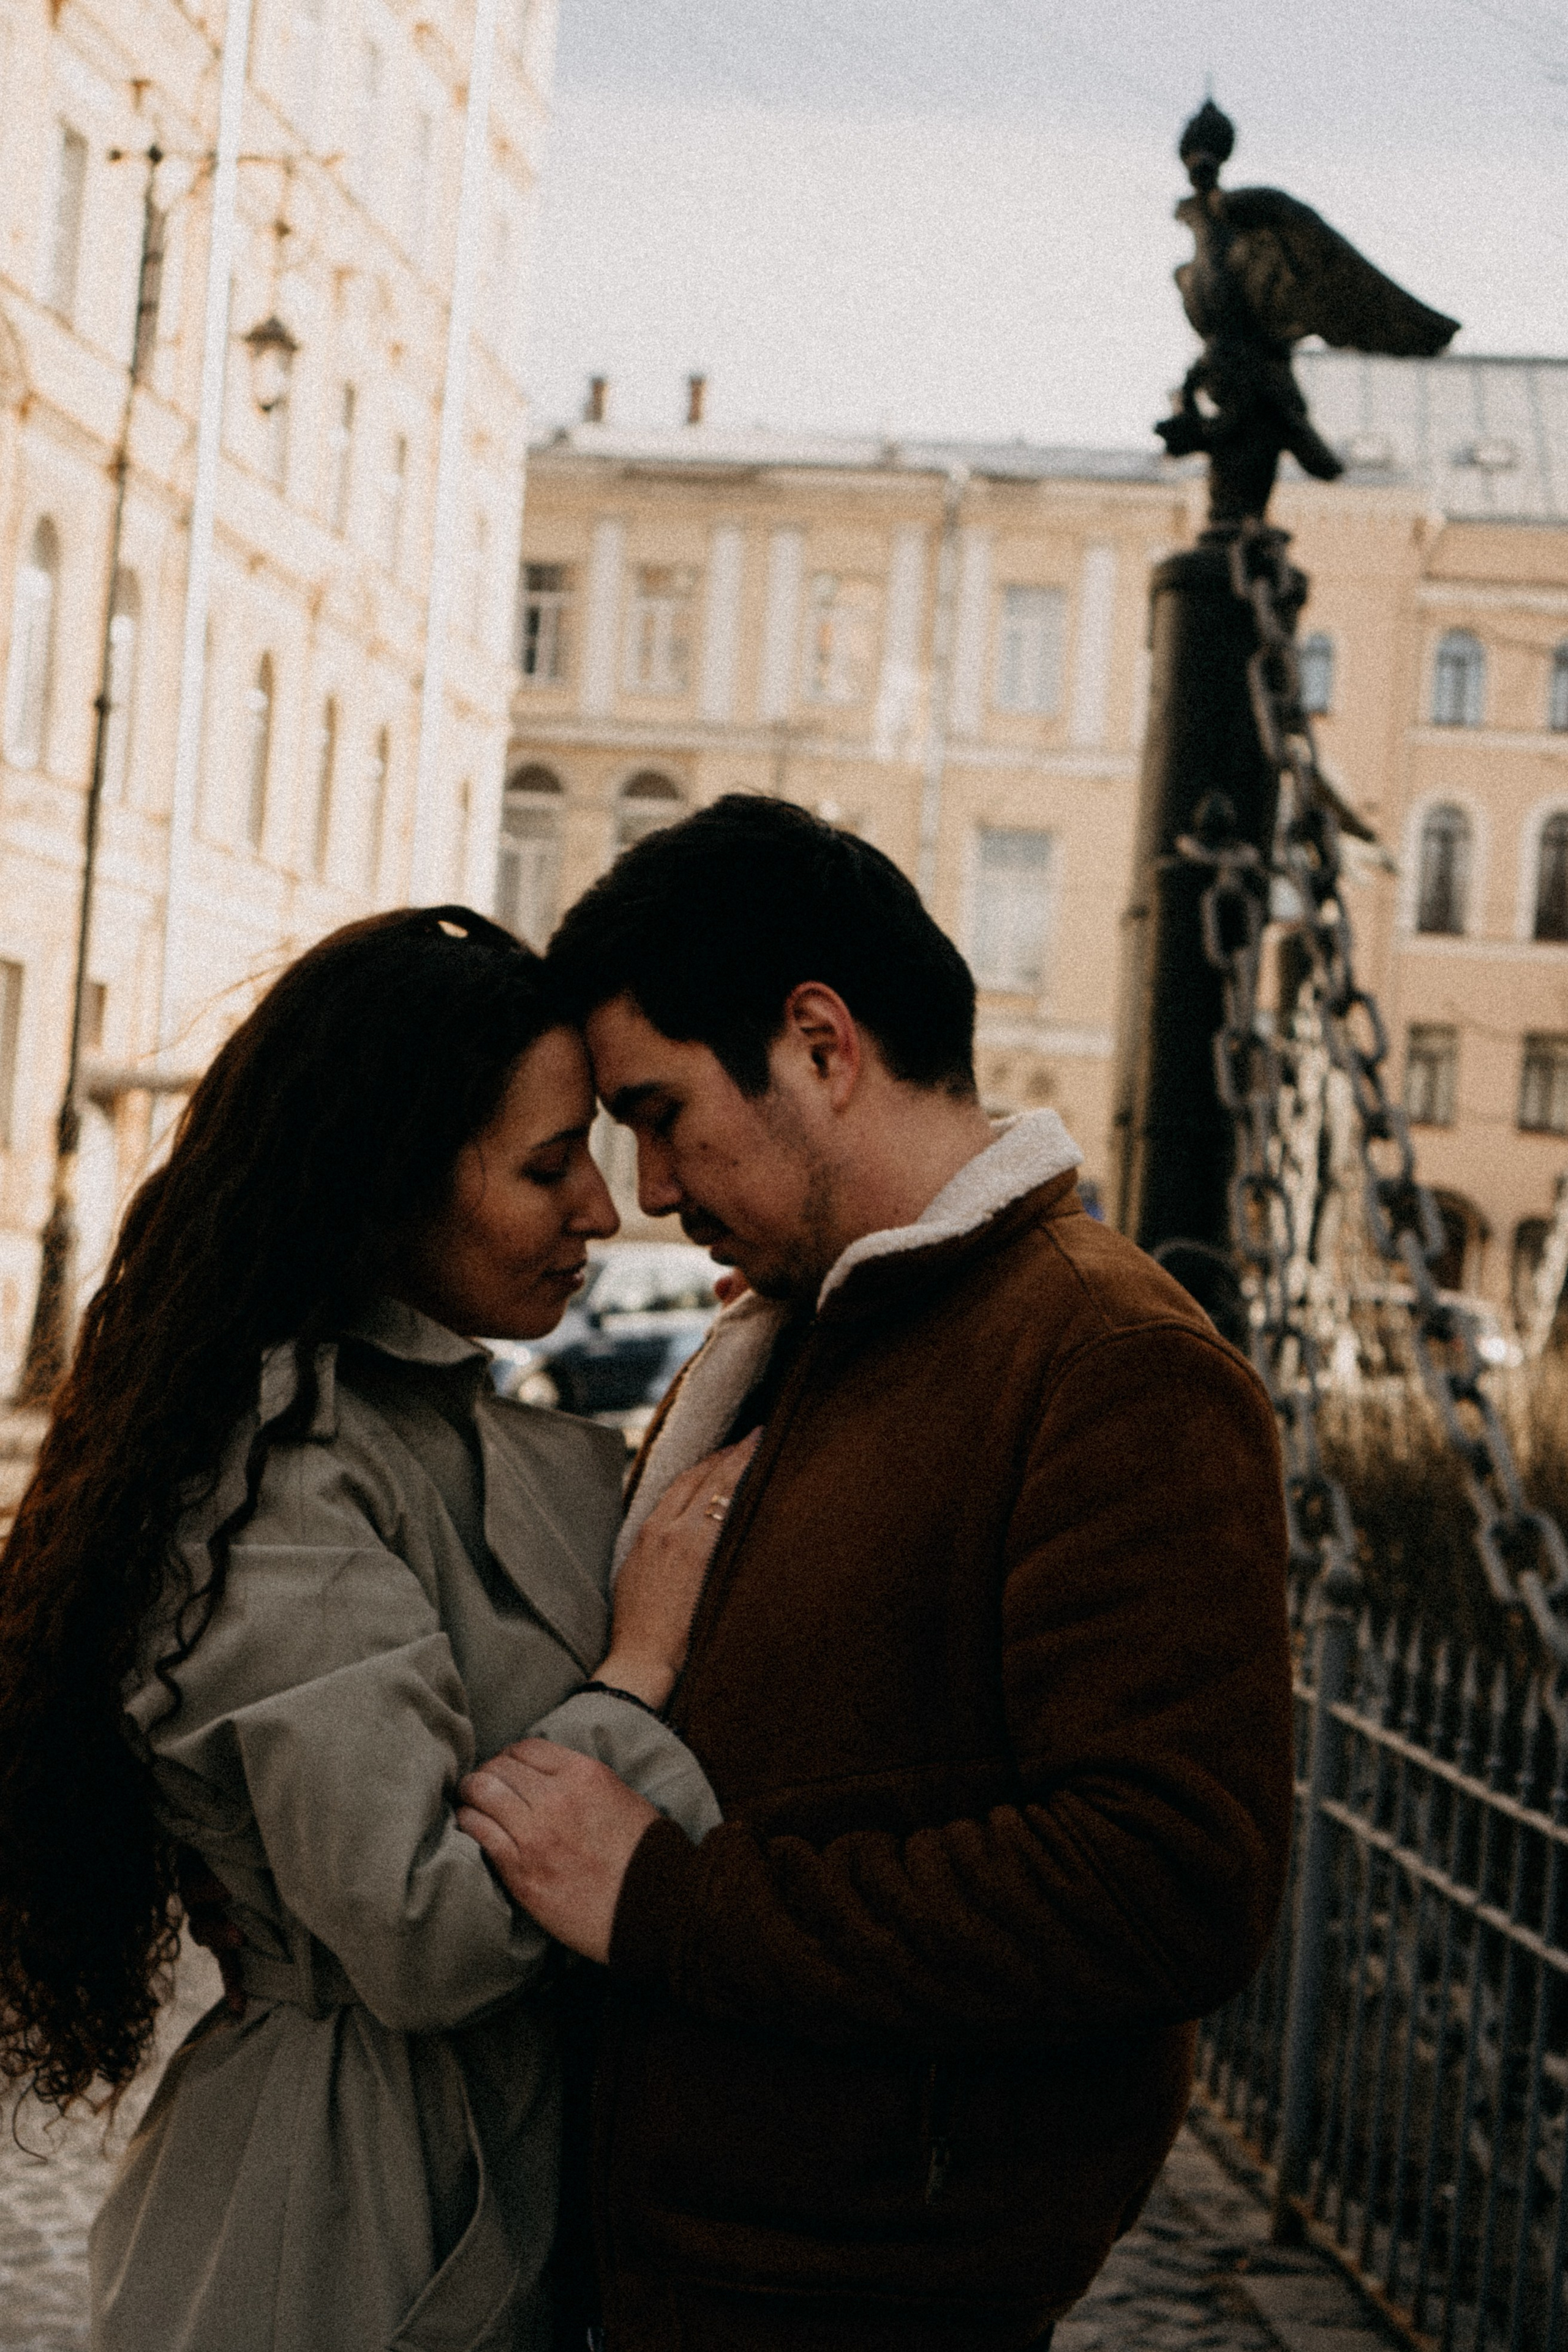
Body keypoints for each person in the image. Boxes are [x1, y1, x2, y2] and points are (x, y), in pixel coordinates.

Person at [458, 796, 1296, 2352]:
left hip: (870, 2293)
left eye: (658, 1111)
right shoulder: (805, 1335)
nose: (644, 1188)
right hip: (681, 2261)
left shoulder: (1105, 1363)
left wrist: (666, 1902)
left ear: (820, 1045)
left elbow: (1168, 1883)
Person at [0, 907, 753, 2352]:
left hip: (499, 2182)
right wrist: (636, 1676)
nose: (601, 1212)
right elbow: (419, 1929)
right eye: (545, 1168)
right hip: (340, 2219)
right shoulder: (276, 1477)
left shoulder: (468, 1435)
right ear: (390, 1182)